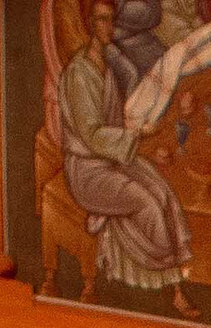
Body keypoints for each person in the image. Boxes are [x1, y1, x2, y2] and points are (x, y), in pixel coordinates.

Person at [56, 0, 195, 307]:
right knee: (146, 203)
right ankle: (165, 291)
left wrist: (137, 132)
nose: (109, 27)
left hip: (112, 158)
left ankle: (178, 283)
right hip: (88, 170)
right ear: (90, 24)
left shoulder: (105, 64)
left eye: (111, 20)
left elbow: (114, 119)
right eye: (103, 20)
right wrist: (135, 135)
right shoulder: (80, 74)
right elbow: (91, 135)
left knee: (162, 191)